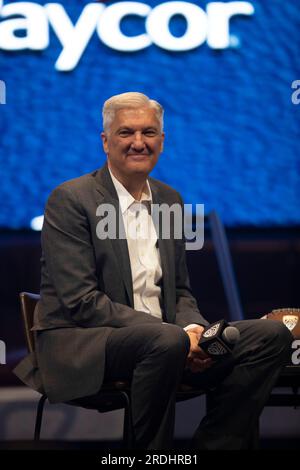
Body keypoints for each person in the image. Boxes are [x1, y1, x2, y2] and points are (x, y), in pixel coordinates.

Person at [14, 92, 292, 450]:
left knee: (269, 336)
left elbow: (180, 292)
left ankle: (215, 445)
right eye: (126, 133)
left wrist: (194, 331)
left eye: (149, 133)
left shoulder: (169, 200)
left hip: (166, 341)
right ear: (106, 141)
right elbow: (81, 301)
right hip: (85, 341)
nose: (138, 143)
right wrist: (173, 334)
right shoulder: (71, 200)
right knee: (166, 340)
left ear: (162, 141)